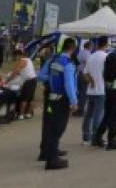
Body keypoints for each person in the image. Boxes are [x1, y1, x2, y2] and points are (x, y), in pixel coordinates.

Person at [40, 37, 78, 170]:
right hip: (62, 99)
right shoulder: (67, 64)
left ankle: (50, 154)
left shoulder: (54, 60)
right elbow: (69, 84)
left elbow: (43, 76)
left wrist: (51, 82)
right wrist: (74, 102)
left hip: (51, 97)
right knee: (58, 128)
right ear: (72, 49)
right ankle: (52, 160)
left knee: (51, 127)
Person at [81, 36, 108, 145]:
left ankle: (86, 136)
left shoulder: (91, 57)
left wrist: (90, 81)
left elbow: (84, 73)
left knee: (89, 114)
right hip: (101, 90)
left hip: (91, 90)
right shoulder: (106, 57)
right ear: (106, 44)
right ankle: (96, 137)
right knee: (99, 114)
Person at [4, 47, 37, 119]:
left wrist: (6, 81)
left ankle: (21, 115)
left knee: (24, 98)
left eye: (15, 56)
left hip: (29, 81)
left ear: (18, 55)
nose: (15, 58)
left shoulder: (22, 61)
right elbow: (21, 73)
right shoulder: (28, 59)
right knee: (30, 98)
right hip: (33, 80)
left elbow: (15, 73)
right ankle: (28, 114)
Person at [75, 40, 91, 116]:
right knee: (83, 93)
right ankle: (81, 110)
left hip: (79, 74)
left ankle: (79, 108)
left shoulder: (80, 53)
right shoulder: (88, 54)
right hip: (85, 74)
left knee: (80, 92)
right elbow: (89, 65)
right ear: (89, 46)